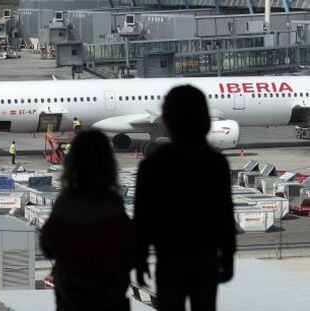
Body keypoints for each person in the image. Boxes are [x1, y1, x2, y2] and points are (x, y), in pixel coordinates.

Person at [134, 85, 236, 311]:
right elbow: (225, 215)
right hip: (205, 257)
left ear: (168, 121)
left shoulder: (152, 165)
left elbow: (142, 218)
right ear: (206, 123)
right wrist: (228, 256)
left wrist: (140, 258)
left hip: (169, 258)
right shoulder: (216, 163)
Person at [41, 129, 134, 311]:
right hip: (108, 296)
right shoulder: (112, 204)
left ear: (72, 163)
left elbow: (47, 245)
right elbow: (128, 246)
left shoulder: (67, 203)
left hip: (72, 297)